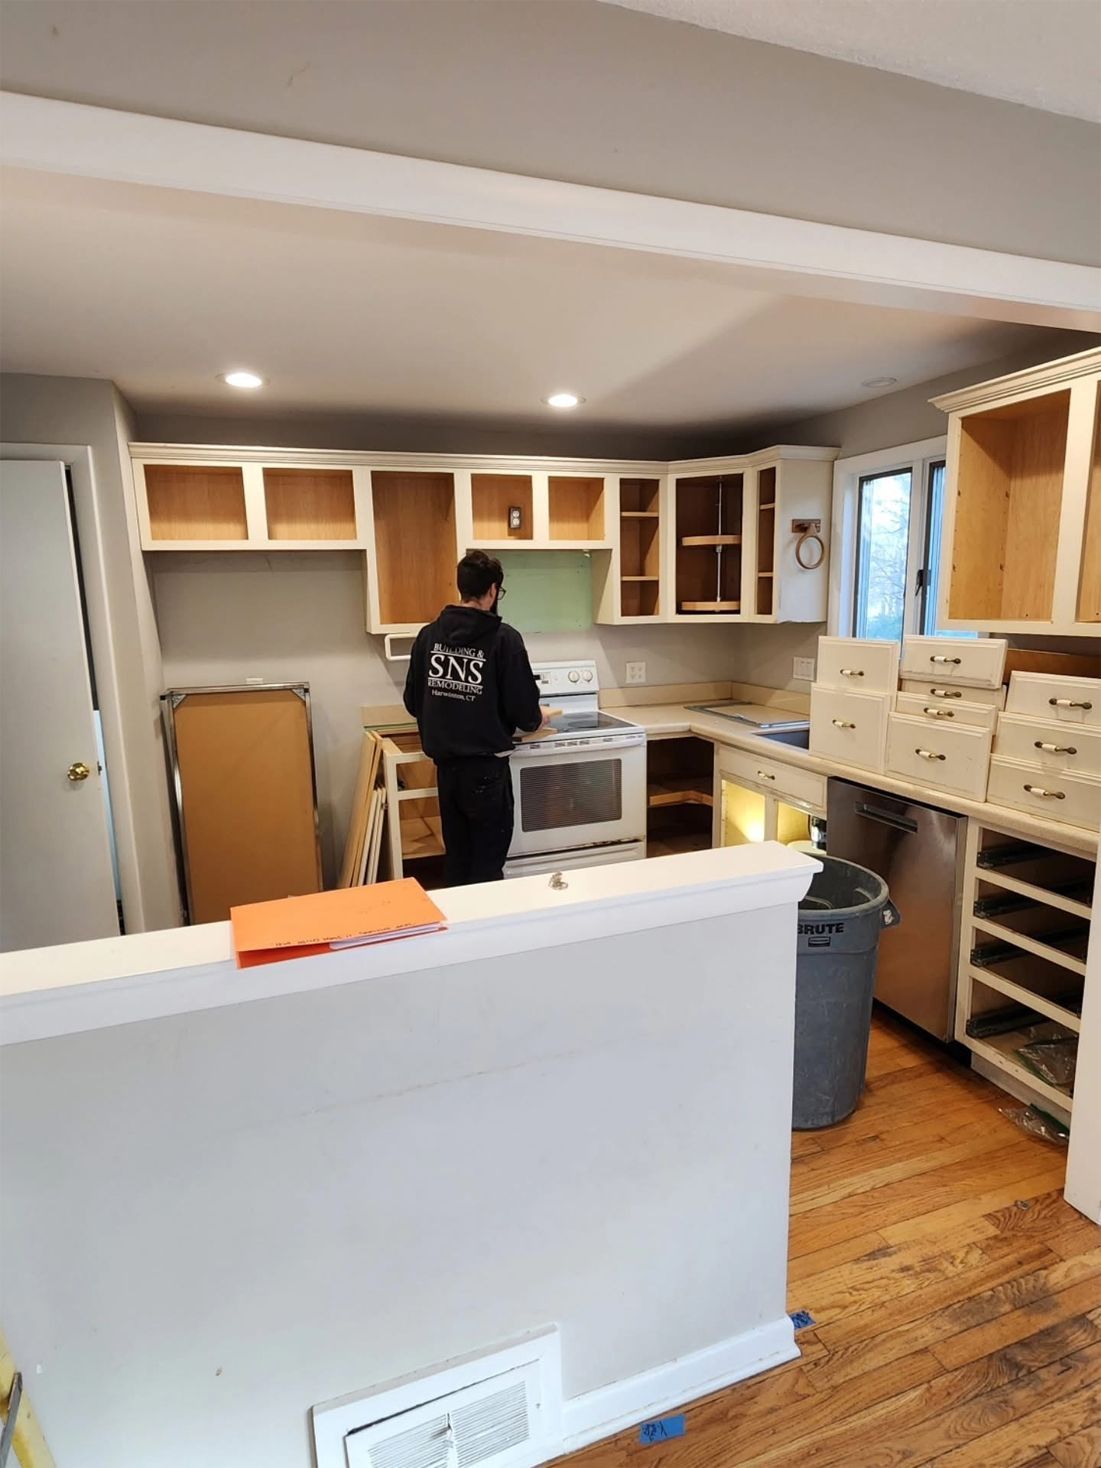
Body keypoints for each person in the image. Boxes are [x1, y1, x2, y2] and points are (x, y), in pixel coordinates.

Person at [403, 551, 547, 885]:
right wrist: (539, 717)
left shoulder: (428, 636)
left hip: (447, 774)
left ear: (462, 588)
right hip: (486, 774)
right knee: (486, 866)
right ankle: (488, 933)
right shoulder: (504, 639)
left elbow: (413, 702)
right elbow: (527, 716)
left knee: (457, 861)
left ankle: (459, 931)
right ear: (493, 590)